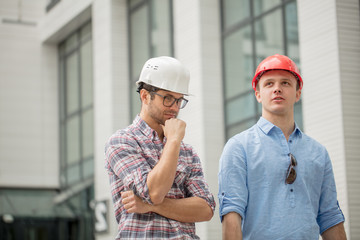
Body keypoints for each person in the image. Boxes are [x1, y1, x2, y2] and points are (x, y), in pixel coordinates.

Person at [218, 54, 347, 240]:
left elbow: (330, 216)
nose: (277, 89)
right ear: (258, 94)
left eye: (285, 83)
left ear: (297, 93)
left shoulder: (318, 152)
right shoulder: (238, 147)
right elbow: (232, 215)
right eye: (269, 84)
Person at [105, 56, 215, 239]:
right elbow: (154, 192)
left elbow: (206, 209)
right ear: (145, 96)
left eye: (179, 100)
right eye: (168, 98)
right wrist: (173, 142)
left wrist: (150, 206)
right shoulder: (121, 141)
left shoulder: (188, 152)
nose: (174, 107)